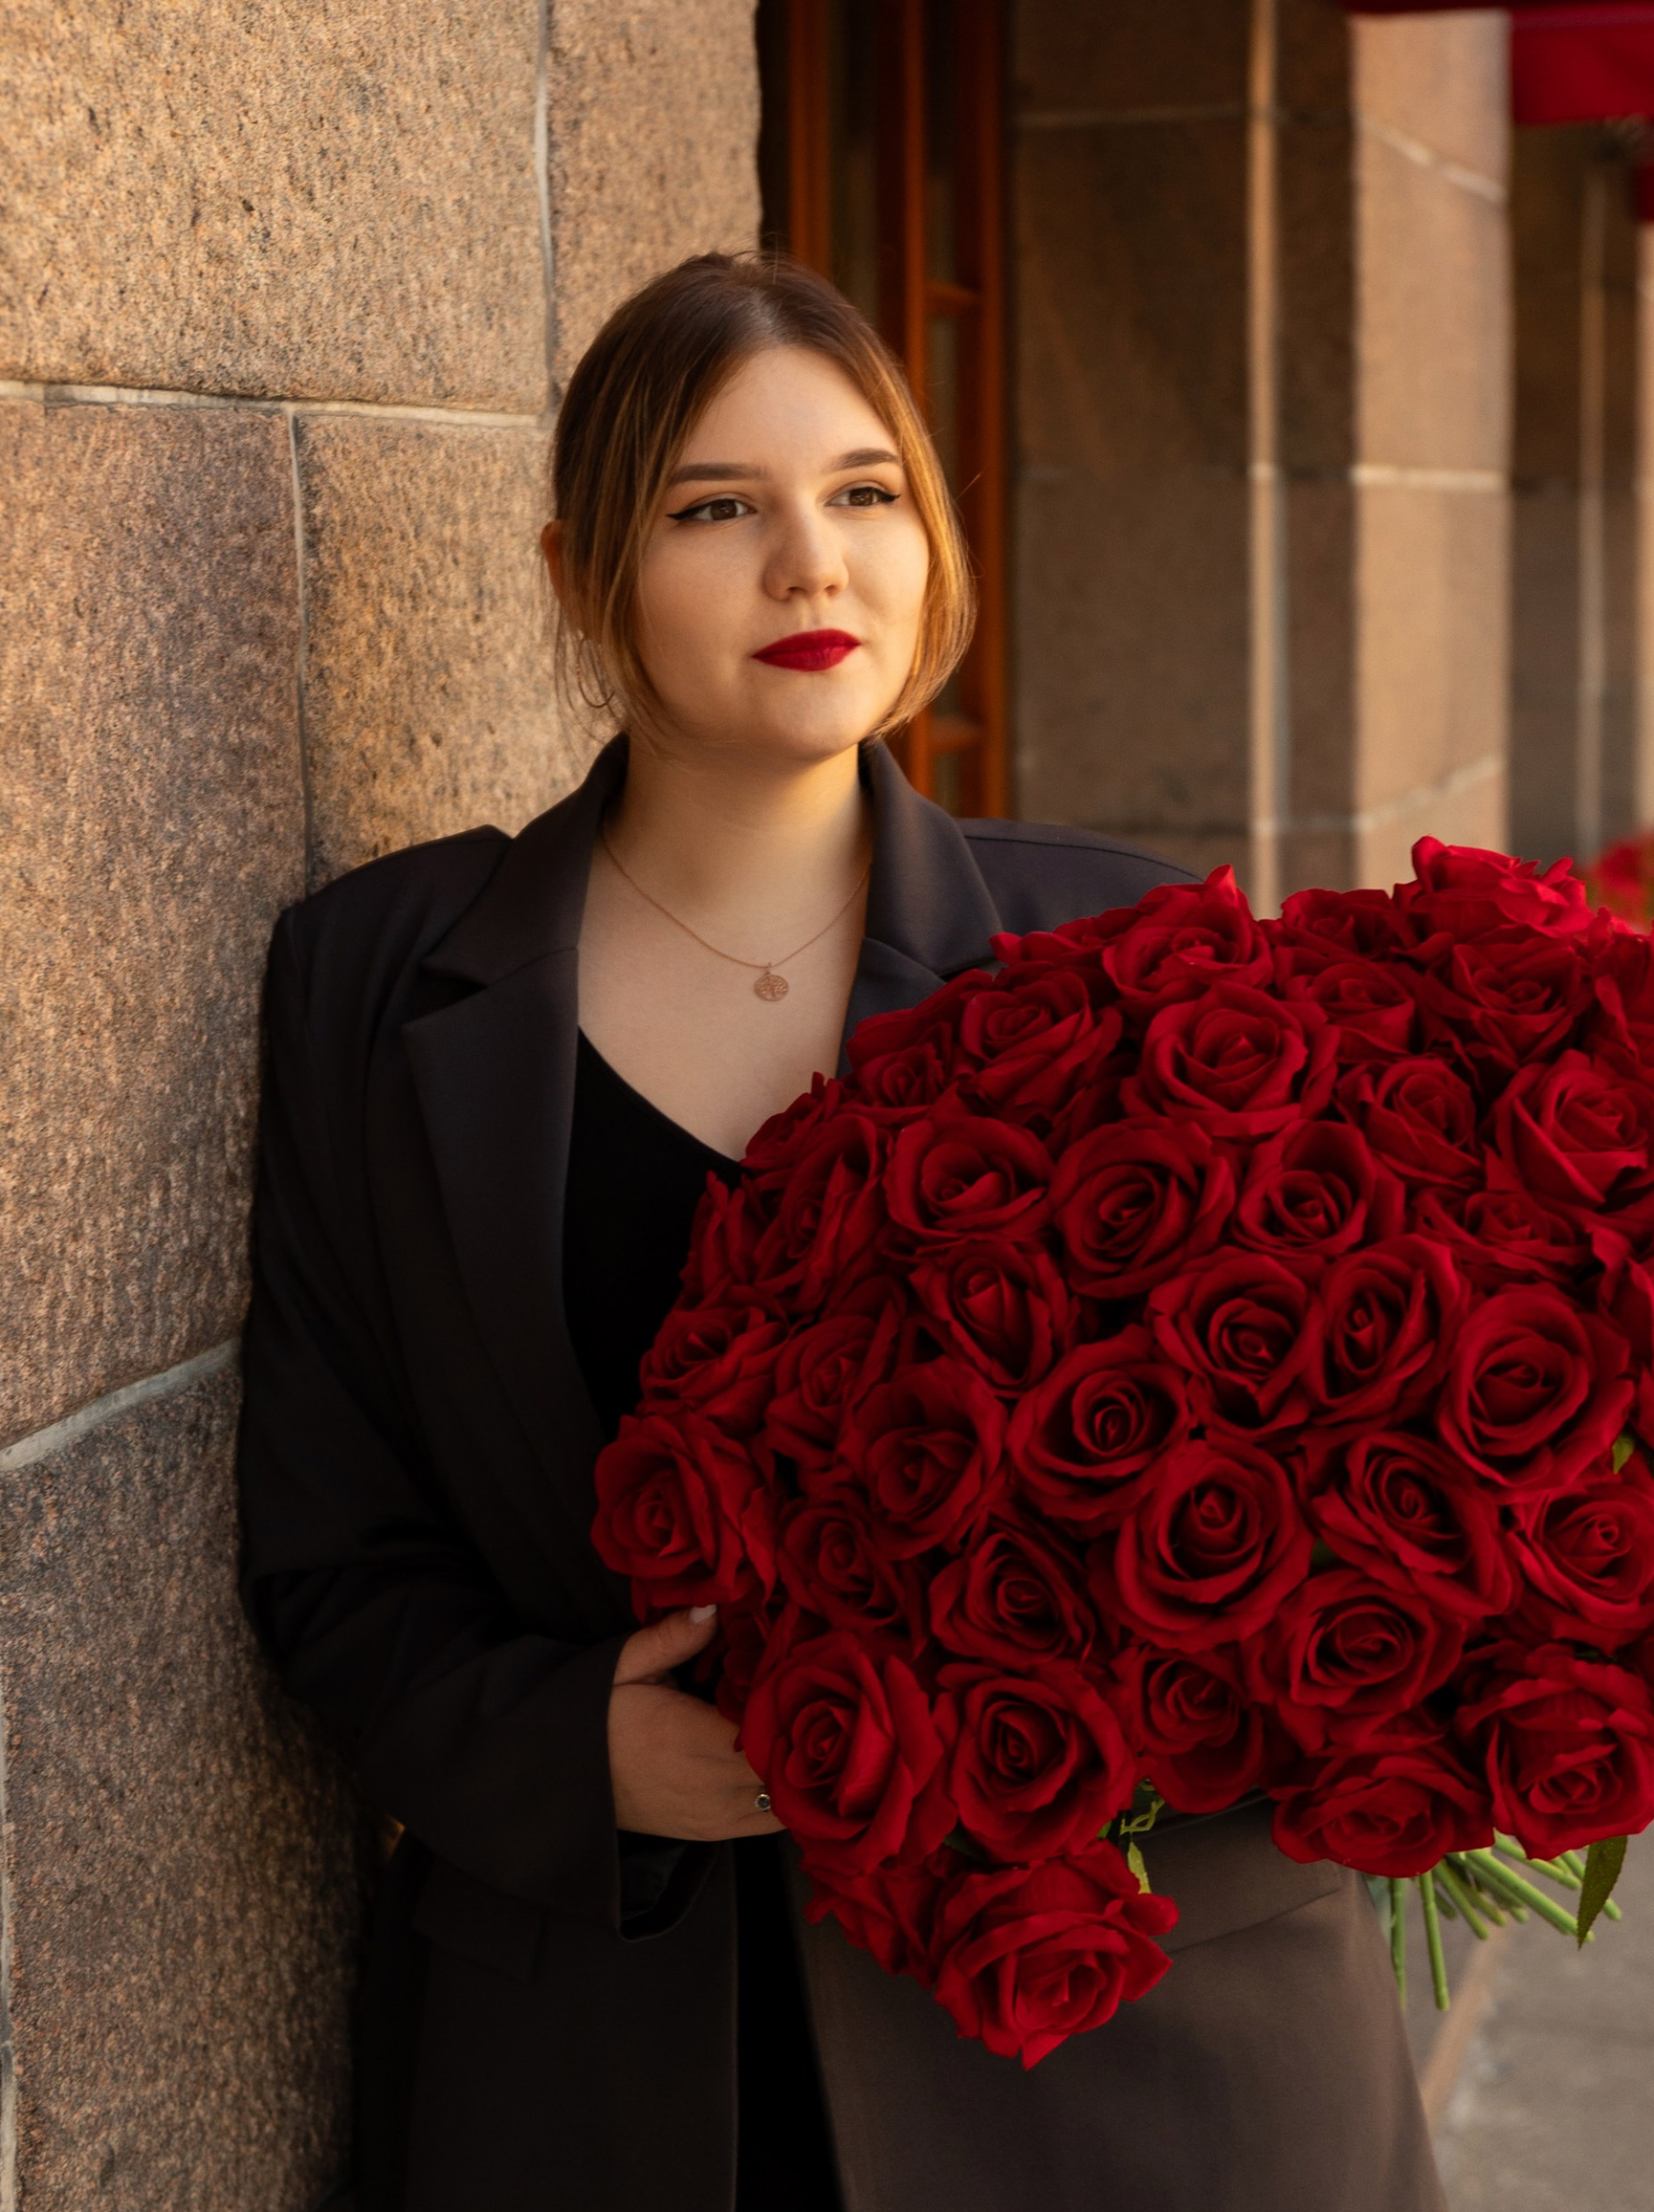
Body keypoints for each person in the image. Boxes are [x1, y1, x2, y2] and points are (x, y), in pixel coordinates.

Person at [238, 253, 1445, 2212]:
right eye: (716, 507)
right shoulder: (375, 983)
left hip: (1114, 2068)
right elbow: (324, 1545)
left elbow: (1339, 1508)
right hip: (608, 2059)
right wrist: (572, 1752)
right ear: (579, 573)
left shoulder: (1135, 965)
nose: (811, 563)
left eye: (864, 492)